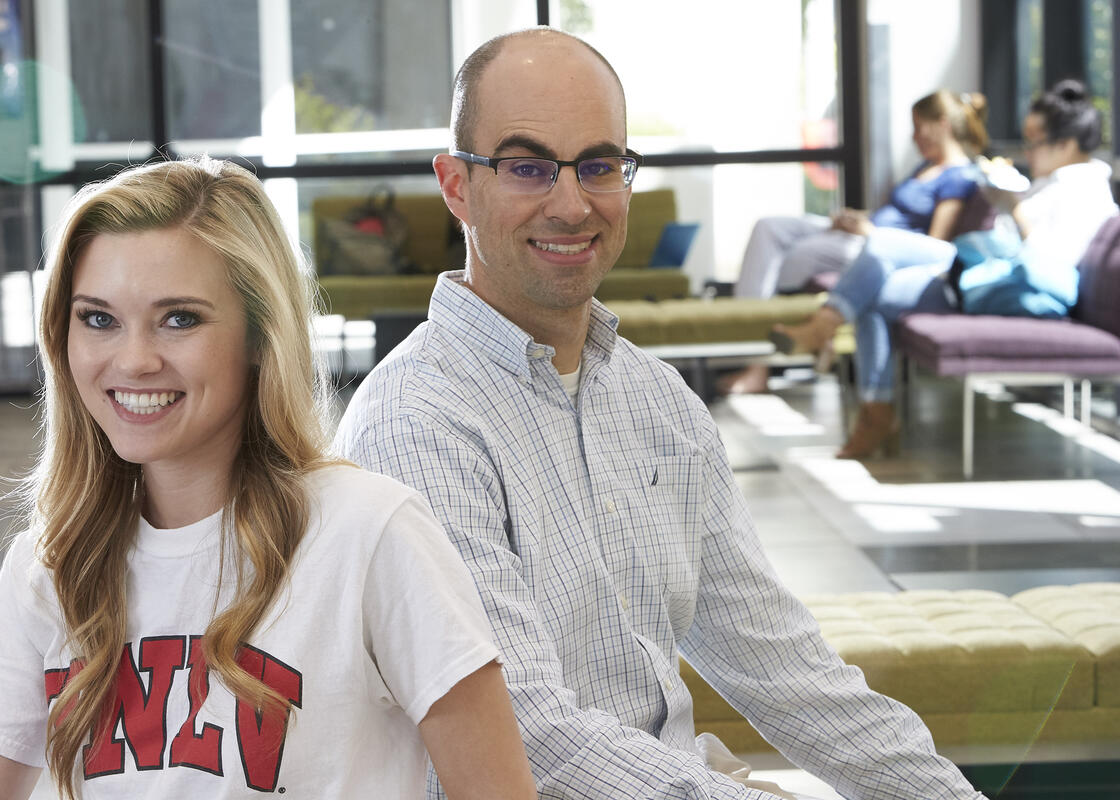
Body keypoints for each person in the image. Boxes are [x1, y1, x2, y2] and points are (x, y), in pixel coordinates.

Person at [335, 27, 985, 800]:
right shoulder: (415, 424)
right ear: (455, 185)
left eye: (599, 165)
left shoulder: (656, 400)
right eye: (528, 167)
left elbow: (779, 662)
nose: (572, 204)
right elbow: (528, 737)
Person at [0, 157, 536, 800]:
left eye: (180, 318)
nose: (133, 360)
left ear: (259, 336)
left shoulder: (370, 534)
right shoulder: (52, 566)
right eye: (98, 318)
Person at [770, 79, 1118, 459]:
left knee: (882, 244)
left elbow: (1049, 266)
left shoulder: (1084, 192)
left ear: (1065, 145)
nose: (1026, 150)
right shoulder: (1049, 183)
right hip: (984, 279)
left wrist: (1013, 207)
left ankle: (824, 328)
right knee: (875, 296)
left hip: (1012, 292)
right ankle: (876, 410)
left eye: (1033, 141)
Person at [724, 89, 990, 394]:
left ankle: (793, 345)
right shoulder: (924, 168)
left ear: (942, 124)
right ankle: (783, 350)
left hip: (878, 247)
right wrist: (856, 220)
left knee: (790, 260)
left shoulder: (960, 177)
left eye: (919, 128)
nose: (914, 137)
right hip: (865, 235)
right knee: (768, 228)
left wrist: (870, 234)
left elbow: (933, 242)